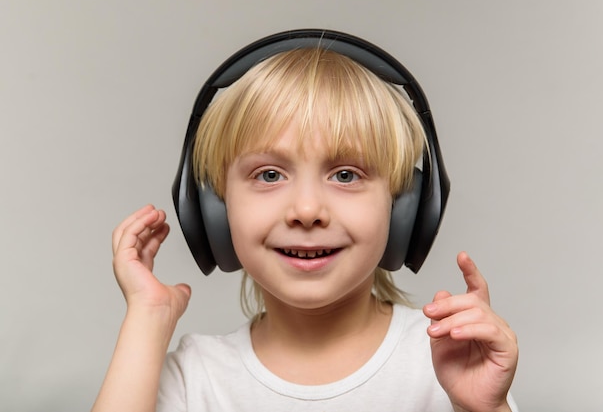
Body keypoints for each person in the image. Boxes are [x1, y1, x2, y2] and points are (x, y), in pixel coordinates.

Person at [92, 38, 519, 412]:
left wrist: (485, 409)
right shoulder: (193, 377)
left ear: (405, 209)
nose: (308, 209)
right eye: (269, 175)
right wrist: (147, 320)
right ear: (215, 212)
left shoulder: (448, 359)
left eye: (346, 175)